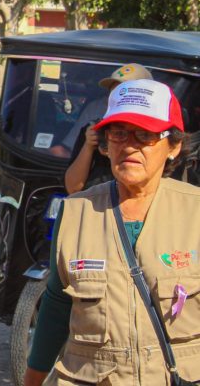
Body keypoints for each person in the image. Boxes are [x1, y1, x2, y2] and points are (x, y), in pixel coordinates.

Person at [25, 79, 200, 385]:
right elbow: (56, 305)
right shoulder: (76, 212)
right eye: (118, 134)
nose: (129, 145)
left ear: (173, 146)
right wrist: (32, 379)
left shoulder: (194, 212)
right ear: (105, 145)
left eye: (144, 135)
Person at [61, 63, 153, 193]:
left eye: (124, 92)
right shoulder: (94, 129)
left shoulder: (158, 135)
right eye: (113, 92)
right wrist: (88, 146)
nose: (116, 98)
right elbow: (73, 188)